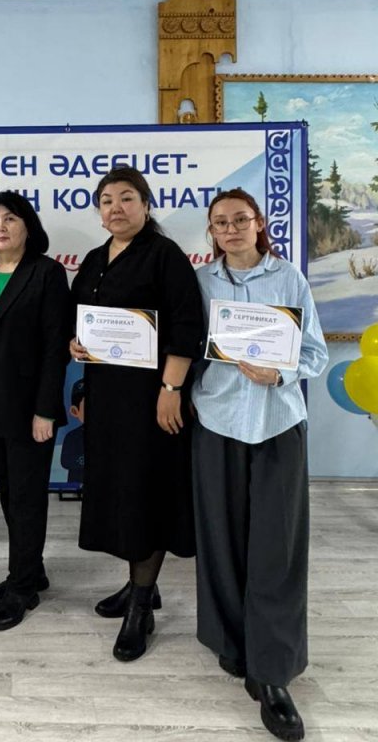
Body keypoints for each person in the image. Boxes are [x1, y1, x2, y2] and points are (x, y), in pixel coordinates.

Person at [191, 189, 328, 742]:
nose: (231, 229)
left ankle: (272, 672)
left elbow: (315, 352)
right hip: (217, 422)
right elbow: (183, 347)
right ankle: (232, 643)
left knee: (277, 548)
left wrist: (280, 372)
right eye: (220, 222)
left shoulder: (288, 278)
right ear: (211, 231)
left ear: (259, 223)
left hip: (277, 425)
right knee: (221, 541)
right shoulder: (201, 283)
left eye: (240, 219)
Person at [70, 166, 203, 661]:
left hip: (153, 401)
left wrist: (171, 388)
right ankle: (138, 585)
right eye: (107, 200)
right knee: (123, 496)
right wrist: (76, 347)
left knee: (148, 497)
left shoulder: (165, 256)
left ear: (146, 205)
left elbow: (187, 326)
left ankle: (141, 609)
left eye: (127, 198)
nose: (116, 208)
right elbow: (81, 322)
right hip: (108, 400)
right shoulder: (94, 258)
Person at [0, 190, 71, 631]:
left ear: (28, 226)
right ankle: (32, 568)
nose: (0, 226)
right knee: (10, 493)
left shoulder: (46, 273)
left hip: (28, 409)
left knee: (26, 498)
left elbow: (54, 348)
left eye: (10, 218)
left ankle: (22, 587)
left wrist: (45, 410)